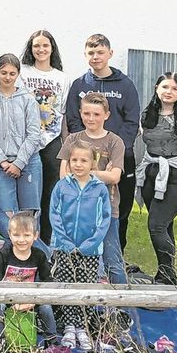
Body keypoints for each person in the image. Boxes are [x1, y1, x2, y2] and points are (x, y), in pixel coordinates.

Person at [64, 34, 140, 254]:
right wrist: (84, 153)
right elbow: (73, 120)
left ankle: (116, 257)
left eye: (100, 52)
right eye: (91, 53)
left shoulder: (125, 85)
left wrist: (115, 153)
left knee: (120, 210)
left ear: (110, 54)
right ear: (85, 55)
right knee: (86, 208)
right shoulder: (79, 85)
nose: (95, 57)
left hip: (119, 157)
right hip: (86, 159)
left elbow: (131, 121)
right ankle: (86, 256)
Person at [135, 72, 177, 286]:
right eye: (165, 87)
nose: (169, 92)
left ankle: (165, 275)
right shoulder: (148, 115)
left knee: (156, 225)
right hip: (152, 174)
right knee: (165, 225)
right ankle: (168, 275)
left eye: (174, 88)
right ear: (156, 88)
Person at [0, 211, 72, 353]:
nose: (21, 240)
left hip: (30, 297)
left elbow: (48, 282)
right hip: (5, 296)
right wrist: (12, 300)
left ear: (35, 236)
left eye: (26, 235)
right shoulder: (3, 255)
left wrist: (32, 301)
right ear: (10, 235)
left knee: (46, 307)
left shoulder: (39, 255)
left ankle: (52, 343)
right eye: (16, 235)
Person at [49, 140, 112, 352]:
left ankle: (82, 327)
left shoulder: (100, 189)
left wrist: (90, 244)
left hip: (89, 250)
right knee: (67, 286)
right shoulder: (62, 186)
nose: (78, 164)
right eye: (74, 159)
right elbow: (54, 215)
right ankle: (69, 327)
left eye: (83, 160)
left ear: (93, 162)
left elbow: (104, 219)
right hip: (65, 248)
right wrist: (65, 242)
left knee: (86, 287)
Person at [58, 92, 126, 284]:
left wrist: (81, 173)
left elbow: (115, 176)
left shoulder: (114, 142)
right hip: (76, 211)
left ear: (106, 115)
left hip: (106, 209)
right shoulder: (72, 140)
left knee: (112, 260)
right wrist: (100, 174)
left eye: (96, 114)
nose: (91, 118)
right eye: (87, 113)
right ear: (80, 113)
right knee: (77, 259)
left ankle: (122, 300)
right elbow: (64, 176)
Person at [0, 53, 42, 242]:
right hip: (2, 164)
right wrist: (3, 161)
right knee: (6, 215)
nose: (7, 77)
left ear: (18, 74)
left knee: (29, 216)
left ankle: (39, 257)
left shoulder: (27, 99)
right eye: (3, 72)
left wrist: (19, 163)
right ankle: (15, 255)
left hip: (28, 162)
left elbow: (34, 134)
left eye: (12, 73)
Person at [17, 30, 68, 244]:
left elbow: (63, 113)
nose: (41, 49)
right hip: (26, 140)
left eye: (45, 45)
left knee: (50, 194)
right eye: (36, 45)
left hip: (51, 140)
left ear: (52, 48)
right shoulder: (23, 72)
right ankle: (23, 240)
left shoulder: (61, 77)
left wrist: (66, 146)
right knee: (28, 196)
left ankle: (45, 242)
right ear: (31, 49)